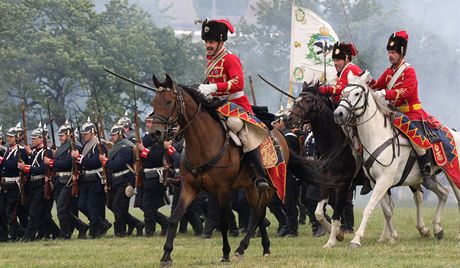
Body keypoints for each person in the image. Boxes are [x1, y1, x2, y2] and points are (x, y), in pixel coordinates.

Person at [197, 18, 269, 192]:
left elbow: (238, 83)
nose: (208, 45)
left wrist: (214, 86)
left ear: (221, 41)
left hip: (236, 104)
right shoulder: (210, 61)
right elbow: (210, 84)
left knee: (238, 127)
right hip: (217, 105)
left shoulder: (230, 59)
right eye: (207, 41)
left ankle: (259, 174)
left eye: (212, 41)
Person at [369, 30, 436, 187]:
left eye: (393, 52)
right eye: (389, 52)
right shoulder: (389, 72)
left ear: (400, 52)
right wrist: (367, 79)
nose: (390, 55)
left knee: (415, 135)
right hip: (396, 113)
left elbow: (406, 92)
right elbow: (376, 85)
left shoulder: (409, 71)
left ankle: (426, 168)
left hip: (412, 113)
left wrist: (385, 93)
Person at [45, 120, 89, 239]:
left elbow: (67, 163)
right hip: (59, 180)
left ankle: (65, 234)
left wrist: (52, 162)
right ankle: (81, 226)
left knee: (61, 209)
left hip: (68, 180)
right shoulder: (62, 147)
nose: (60, 137)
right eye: (59, 135)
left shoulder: (74, 146)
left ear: (69, 134)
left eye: (62, 135)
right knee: (63, 209)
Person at [71, 117, 110, 238]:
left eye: (86, 133)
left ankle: (94, 232)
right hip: (86, 180)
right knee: (82, 205)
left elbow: (95, 163)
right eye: (83, 134)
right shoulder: (86, 145)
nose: (84, 136)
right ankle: (102, 224)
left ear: (93, 132)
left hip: (95, 180)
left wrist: (79, 158)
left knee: (93, 207)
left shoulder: (99, 145)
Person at [20, 123, 60, 241]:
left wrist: (27, 168)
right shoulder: (35, 152)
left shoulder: (47, 151)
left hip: (42, 184)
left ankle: (29, 236)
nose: (32, 140)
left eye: (34, 138)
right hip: (33, 185)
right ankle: (55, 231)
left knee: (33, 212)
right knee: (42, 213)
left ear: (41, 138)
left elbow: (43, 168)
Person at [99, 124, 137, 237]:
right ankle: (135, 224)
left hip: (125, 180)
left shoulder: (125, 147)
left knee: (117, 206)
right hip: (117, 180)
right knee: (116, 206)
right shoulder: (116, 147)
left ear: (120, 134)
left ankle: (120, 231)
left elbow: (117, 165)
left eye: (114, 135)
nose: (112, 137)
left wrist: (105, 161)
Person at [136, 111, 169, 236]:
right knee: (146, 205)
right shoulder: (147, 137)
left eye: (150, 122)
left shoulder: (159, 138)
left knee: (147, 205)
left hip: (155, 176)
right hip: (146, 175)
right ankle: (164, 222)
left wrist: (143, 150)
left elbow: (155, 157)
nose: (148, 124)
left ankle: (150, 231)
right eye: (147, 122)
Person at [0, 124, 28, 241]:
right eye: (8, 136)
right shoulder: (8, 151)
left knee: (11, 213)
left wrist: (1, 160)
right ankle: (21, 232)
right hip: (6, 185)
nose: (8, 139)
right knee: (6, 212)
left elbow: (13, 166)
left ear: (16, 137)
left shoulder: (21, 151)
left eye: (11, 137)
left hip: (15, 185)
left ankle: (14, 236)